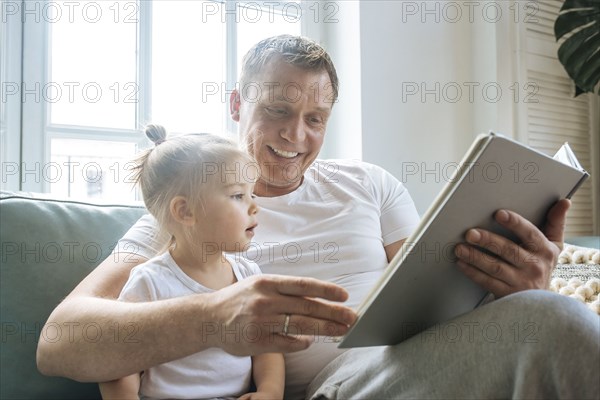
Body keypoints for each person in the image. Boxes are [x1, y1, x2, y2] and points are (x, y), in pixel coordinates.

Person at [37, 35, 599, 399]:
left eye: (315, 118)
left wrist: (516, 291)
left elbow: (439, 302)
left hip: (410, 372)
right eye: (277, 111)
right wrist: (215, 316)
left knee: (551, 315)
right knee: (564, 325)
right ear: (237, 105)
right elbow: (60, 342)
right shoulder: (188, 211)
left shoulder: (371, 185)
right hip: (327, 391)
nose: (295, 136)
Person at [98, 125, 284, 400]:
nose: (254, 206)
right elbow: (120, 359)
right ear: (185, 211)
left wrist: (269, 391)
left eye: (252, 194)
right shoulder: (150, 282)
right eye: (237, 195)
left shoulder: (248, 275)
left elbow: (267, 346)